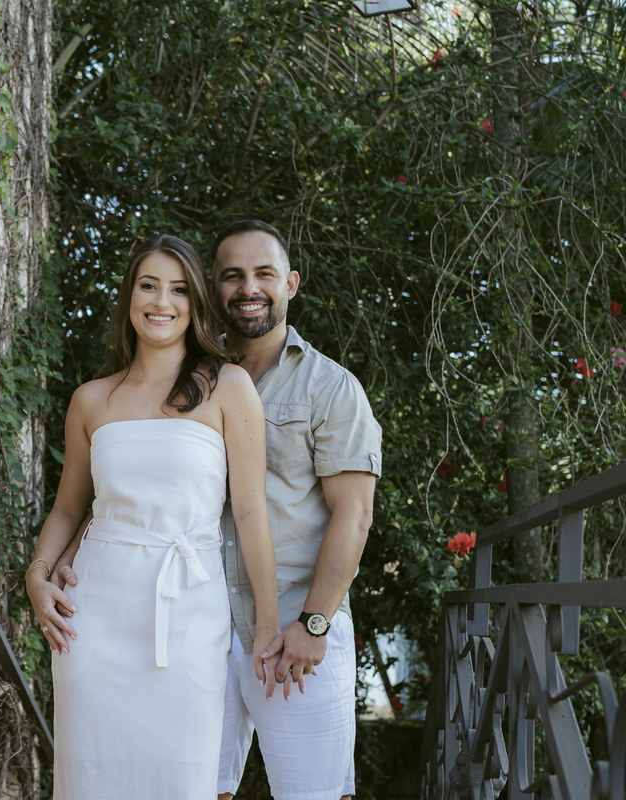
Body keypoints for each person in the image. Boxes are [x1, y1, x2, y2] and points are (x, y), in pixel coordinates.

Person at [55, 220, 381, 799]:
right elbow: (133, 490)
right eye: (233, 276)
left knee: (313, 793)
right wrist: (63, 557)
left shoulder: (329, 387)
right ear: (213, 287)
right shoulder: (189, 375)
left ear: (290, 284)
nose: (248, 288)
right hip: (201, 622)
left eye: (264, 274)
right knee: (201, 789)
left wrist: (314, 623)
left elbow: (353, 516)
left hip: (289, 626)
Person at [26, 234, 281, 800]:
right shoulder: (91, 399)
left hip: (190, 612)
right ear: (130, 297)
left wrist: (267, 623)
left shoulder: (227, 386)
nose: (162, 301)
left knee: (182, 778)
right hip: (95, 617)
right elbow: (69, 506)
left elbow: (249, 512)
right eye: (149, 286)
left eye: (179, 289)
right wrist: (36, 575)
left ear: (196, 303)